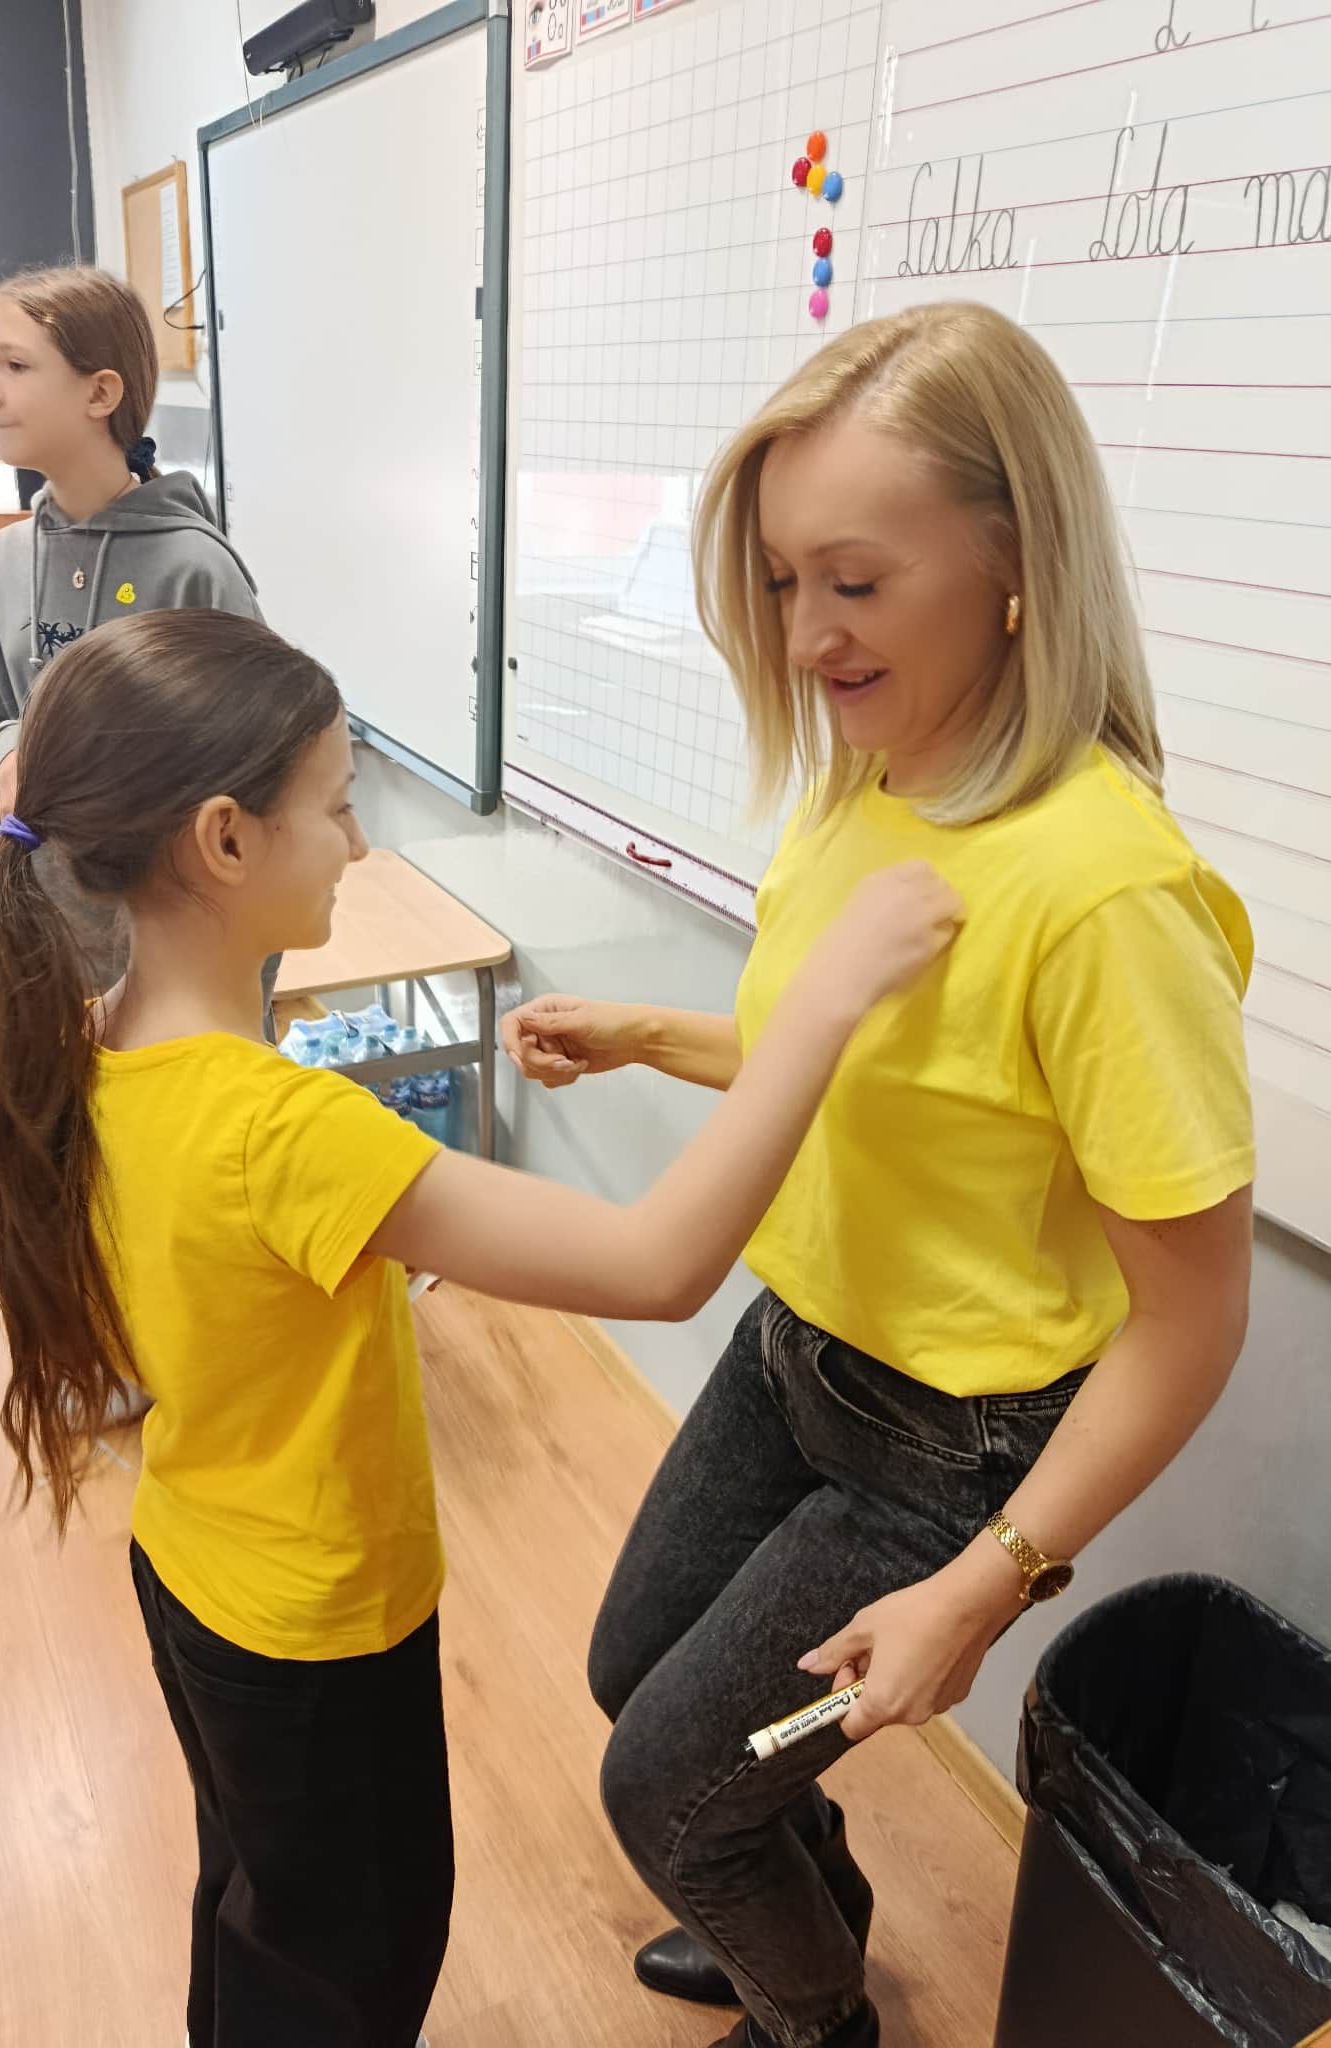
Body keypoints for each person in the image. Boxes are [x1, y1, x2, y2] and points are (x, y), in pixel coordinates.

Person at [0, 605, 961, 2048]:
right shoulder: (280, 1130)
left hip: (193, 1568)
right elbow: (659, 1262)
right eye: (337, 807)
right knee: (353, 1959)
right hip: (316, 1629)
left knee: (258, 1902)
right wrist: (833, 999)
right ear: (225, 840)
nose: (360, 843)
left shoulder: (95, 1037)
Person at [502, 301, 1256, 2048]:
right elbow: (877, 1065)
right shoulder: (871, 772)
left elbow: (1191, 1322)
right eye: (783, 582)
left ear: (1017, 567)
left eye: (854, 581)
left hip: (951, 1437)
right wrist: (652, 1033)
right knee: (637, 1683)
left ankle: (817, 2020)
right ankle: (800, 1901)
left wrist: (984, 1585)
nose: (804, 636)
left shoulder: (1104, 894)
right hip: (801, 1346)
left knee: (663, 1790)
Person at [0, 263, 274, 1026]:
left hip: (180, 979)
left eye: (15, 366)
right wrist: (9, 754)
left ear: (100, 393)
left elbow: (264, 787)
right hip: (38, 956)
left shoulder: (194, 570)